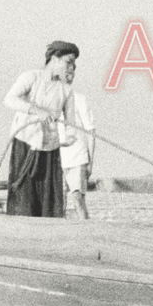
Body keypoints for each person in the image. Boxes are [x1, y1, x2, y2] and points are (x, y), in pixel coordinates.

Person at [3, 41, 79, 217]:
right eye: (68, 62)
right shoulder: (31, 77)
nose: (71, 67)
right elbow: (9, 99)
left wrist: (69, 137)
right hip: (25, 144)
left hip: (49, 150)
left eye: (74, 64)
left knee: (48, 200)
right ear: (54, 59)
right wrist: (37, 111)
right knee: (23, 196)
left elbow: (71, 122)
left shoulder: (66, 91)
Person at [59, 66, 96, 220]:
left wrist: (90, 163)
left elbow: (91, 132)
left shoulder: (79, 99)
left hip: (77, 158)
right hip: (57, 158)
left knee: (78, 199)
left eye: (70, 73)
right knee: (58, 201)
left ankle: (87, 233)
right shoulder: (50, 102)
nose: (68, 76)